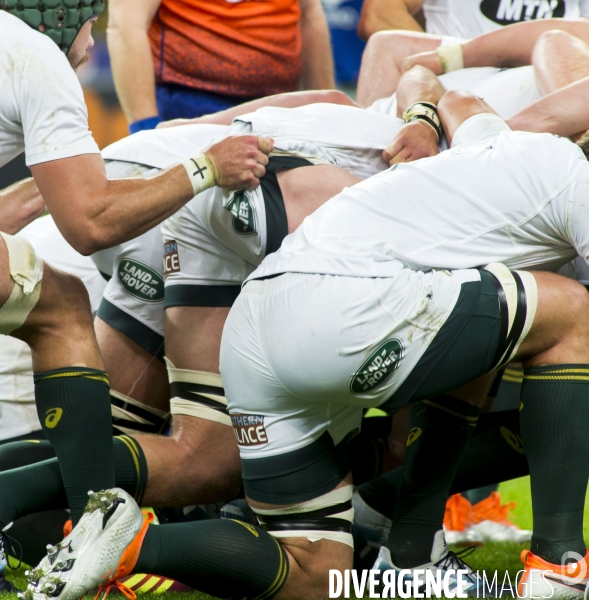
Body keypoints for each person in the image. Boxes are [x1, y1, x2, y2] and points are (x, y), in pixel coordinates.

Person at [107, 0, 336, 133]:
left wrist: (329, 114)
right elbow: (126, 25)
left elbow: (309, 13)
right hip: (186, 105)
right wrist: (145, 130)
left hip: (279, 109)